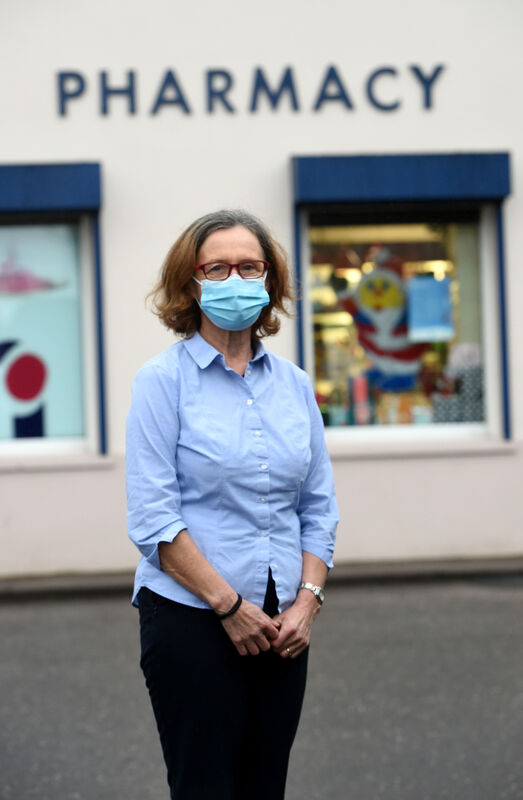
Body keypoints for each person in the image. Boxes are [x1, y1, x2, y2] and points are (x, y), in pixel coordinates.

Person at [126, 209, 338, 800]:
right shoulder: (161, 381)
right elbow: (151, 516)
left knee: (265, 786)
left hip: (281, 625)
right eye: (217, 267)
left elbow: (318, 507)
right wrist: (227, 606)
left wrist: (308, 602)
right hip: (193, 619)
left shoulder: (294, 384)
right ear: (191, 283)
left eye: (250, 266)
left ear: (269, 281)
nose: (235, 279)